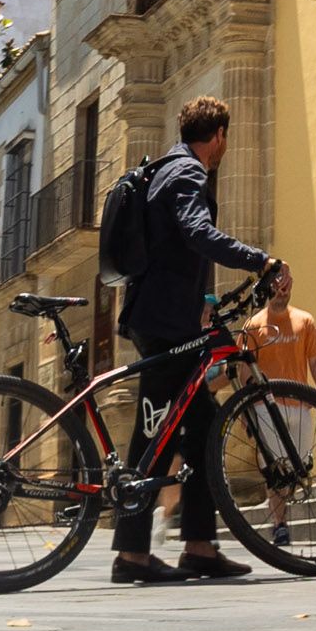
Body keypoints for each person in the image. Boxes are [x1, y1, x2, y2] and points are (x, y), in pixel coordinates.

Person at [112, 95, 276, 587]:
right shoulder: (188, 174)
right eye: (227, 137)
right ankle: (133, 554)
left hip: (166, 316)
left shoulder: (167, 168)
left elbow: (177, 249)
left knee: (202, 425)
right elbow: (198, 232)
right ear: (219, 136)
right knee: (155, 434)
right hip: (165, 321)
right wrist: (258, 259)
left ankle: (200, 547)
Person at [233, 264, 316, 541]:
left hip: (300, 406)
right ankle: (280, 523)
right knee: (275, 468)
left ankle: (282, 514)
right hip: (266, 409)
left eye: (286, 284)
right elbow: (244, 373)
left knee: (299, 466)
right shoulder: (253, 326)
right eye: (276, 284)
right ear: (268, 287)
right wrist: (245, 410)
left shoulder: (305, 321)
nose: (281, 290)